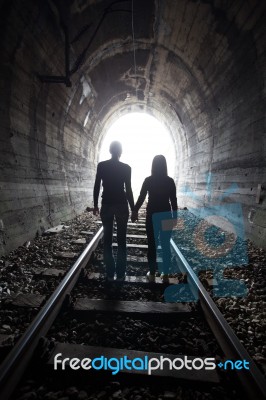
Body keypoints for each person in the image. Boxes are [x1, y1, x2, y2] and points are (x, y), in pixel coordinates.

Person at [131, 155, 177, 283]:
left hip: (152, 216)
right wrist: (175, 217)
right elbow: (173, 201)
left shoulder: (148, 180)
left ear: (153, 166)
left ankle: (151, 273)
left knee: (152, 244)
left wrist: (134, 210)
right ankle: (166, 275)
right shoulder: (170, 181)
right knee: (166, 245)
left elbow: (141, 197)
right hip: (166, 216)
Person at [93, 141, 134, 281]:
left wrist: (95, 205)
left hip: (107, 204)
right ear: (120, 152)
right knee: (122, 241)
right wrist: (133, 209)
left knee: (107, 240)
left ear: (110, 150)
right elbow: (128, 190)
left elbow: (97, 186)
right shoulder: (126, 168)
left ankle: (110, 274)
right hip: (122, 205)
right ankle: (121, 274)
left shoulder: (102, 166)